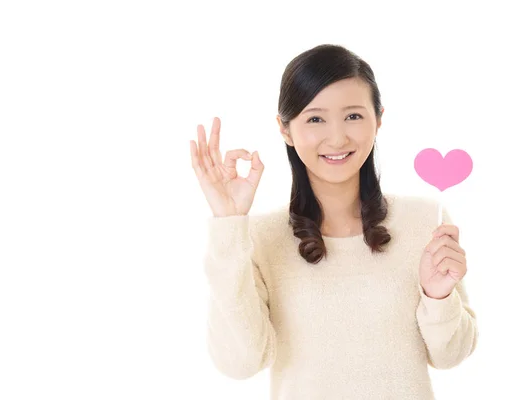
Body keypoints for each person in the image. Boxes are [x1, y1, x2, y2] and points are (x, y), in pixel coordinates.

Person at [189, 44, 478, 400]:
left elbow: (451, 355)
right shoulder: (258, 239)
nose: (338, 137)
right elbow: (240, 363)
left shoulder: (424, 220)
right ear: (285, 129)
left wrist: (438, 294)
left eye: (354, 116)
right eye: (315, 118)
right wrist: (229, 223)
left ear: (379, 118)